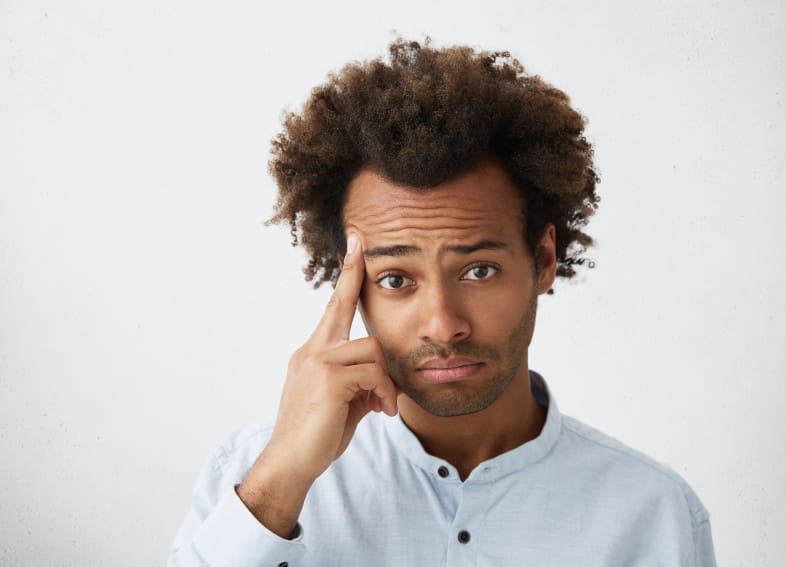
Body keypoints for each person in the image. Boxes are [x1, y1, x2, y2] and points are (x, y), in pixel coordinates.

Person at [167, 39, 716, 566]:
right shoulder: (251, 476)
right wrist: (280, 484)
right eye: (396, 279)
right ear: (350, 284)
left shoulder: (654, 513)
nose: (443, 324)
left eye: (479, 270)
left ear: (543, 259)